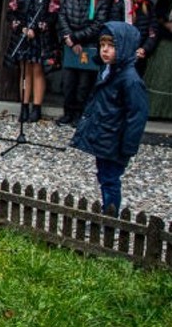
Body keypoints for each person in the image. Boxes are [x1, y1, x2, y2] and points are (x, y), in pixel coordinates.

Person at [70, 22, 148, 216]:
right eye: (102, 45)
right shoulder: (107, 71)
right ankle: (107, 212)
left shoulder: (130, 80)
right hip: (105, 135)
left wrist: (128, 147)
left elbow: (136, 115)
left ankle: (110, 217)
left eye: (111, 46)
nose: (105, 50)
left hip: (116, 139)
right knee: (104, 177)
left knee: (111, 180)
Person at [5, 0, 61, 123]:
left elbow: (53, 15)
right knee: (25, 71)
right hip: (23, 36)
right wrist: (22, 28)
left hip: (41, 37)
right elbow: (11, 12)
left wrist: (36, 29)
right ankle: (24, 105)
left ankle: (36, 108)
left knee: (38, 70)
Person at [58, 0, 106, 126]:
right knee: (68, 83)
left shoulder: (101, 3)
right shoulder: (69, 0)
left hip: (89, 45)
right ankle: (67, 112)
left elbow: (98, 25)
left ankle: (80, 113)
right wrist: (69, 39)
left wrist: (75, 37)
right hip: (70, 46)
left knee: (84, 85)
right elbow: (62, 18)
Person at [108, 0, 158, 75]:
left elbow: (153, 30)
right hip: (122, 55)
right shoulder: (120, 5)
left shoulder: (148, 5)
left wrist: (144, 49)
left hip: (140, 56)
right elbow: (115, 30)